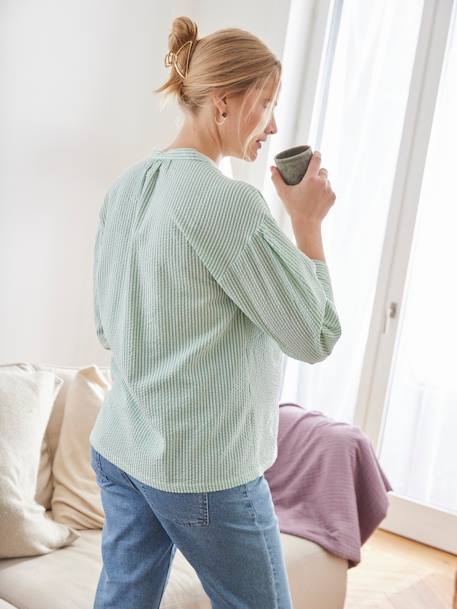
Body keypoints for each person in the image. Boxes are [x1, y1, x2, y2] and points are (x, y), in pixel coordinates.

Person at [89, 15, 341, 609]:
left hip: (122, 447)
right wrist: (307, 223)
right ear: (224, 103)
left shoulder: (126, 186)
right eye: (266, 103)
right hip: (203, 471)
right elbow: (316, 334)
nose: (274, 124)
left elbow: (108, 326)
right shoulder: (228, 203)